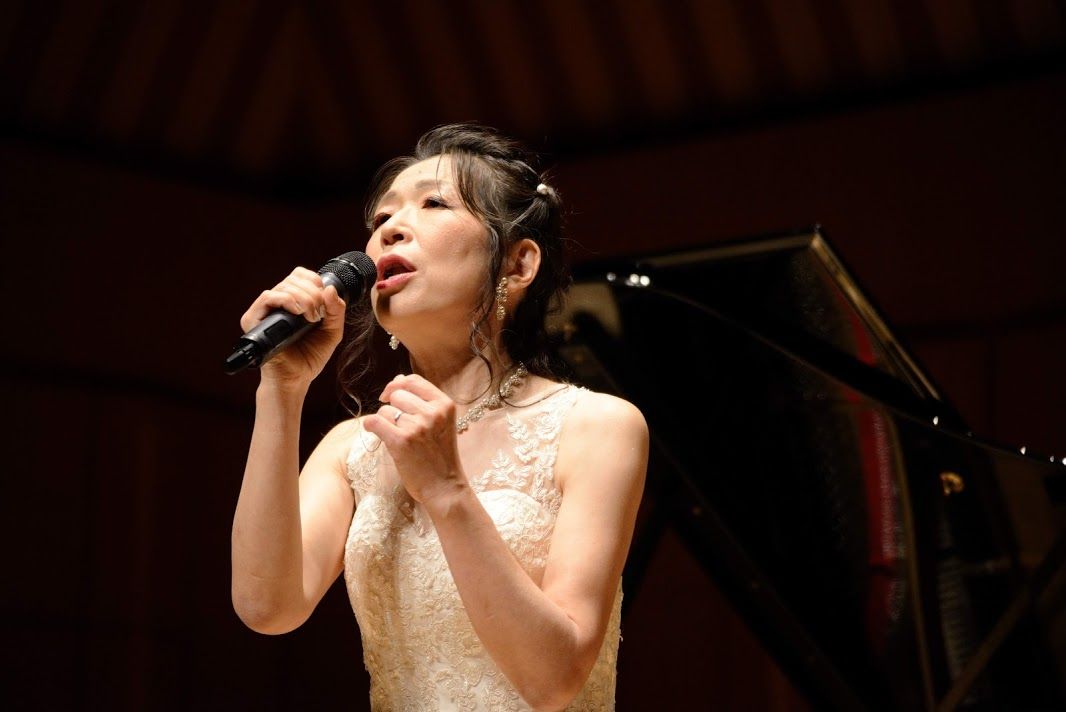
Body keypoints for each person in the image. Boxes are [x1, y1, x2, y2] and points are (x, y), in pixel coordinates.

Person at [230, 123, 648, 711]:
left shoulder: (596, 426)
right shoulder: (353, 447)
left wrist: (448, 490)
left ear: (517, 264)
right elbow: (266, 608)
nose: (390, 229)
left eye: (433, 204)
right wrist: (282, 388)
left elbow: (555, 679)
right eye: (382, 218)